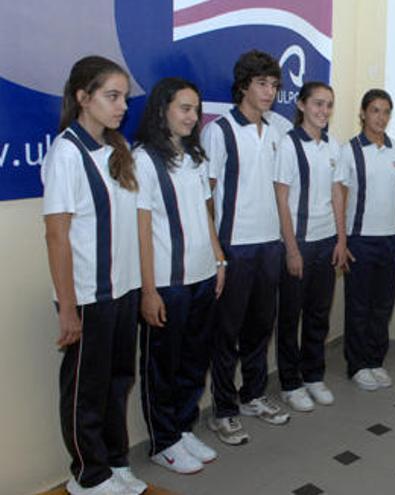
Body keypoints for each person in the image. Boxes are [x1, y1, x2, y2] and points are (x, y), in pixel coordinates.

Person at [43, 55, 147, 495]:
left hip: (122, 291)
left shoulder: (115, 151)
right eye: (111, 96)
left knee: (117, 381)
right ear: (83, 98)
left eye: (124, 96)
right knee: (87, 388)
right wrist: (68, 309)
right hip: (87, 295)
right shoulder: (66, 153)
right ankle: (87, 475)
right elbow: (57, 236)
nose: (122, 105)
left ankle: (115, 461)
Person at [133, 77, 225, 474]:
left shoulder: (196, 156)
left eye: (195, 110)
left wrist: (219, 258)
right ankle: (163, 440)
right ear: (162, 110)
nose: (192, 117)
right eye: (184, 109)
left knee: (193, 360)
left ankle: (184, 428)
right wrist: (148, 290)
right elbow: (140, 228)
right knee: (162, 364)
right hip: (168, 283)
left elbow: (206, 214)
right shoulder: (143, 159)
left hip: (203, 275)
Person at [203, 50, 289, 446]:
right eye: (262, 83)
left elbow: (280, 193)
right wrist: (217, 250)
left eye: (273, 85)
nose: (269, 91)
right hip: (234, 247)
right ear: (243, 86)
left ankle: (253, 394)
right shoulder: (219, 132)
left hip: (269, 244)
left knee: (260, 326)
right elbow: (209, 195)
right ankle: (223, 410)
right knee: (227, 332)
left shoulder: (276, 133)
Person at [274, 81, 348, 412]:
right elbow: (281, 198)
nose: (324, 111)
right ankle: (290, 383)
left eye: (329, 105)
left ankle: (313, 375)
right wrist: (291, 250)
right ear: (302, 105)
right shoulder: (289, 145)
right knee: (291, 316)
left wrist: (342, 240)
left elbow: (337, 195)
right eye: (317, 104)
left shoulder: (334, 145)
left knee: (319, 314)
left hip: (326, 241)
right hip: (299, 243)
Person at [338, 89, 395, 391]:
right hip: (360, 241)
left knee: (383, 306)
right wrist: (342, 241)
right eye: (375, 111)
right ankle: (356, 365)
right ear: (363, 113)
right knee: (359, 306)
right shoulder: (350, 150)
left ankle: (375, 360)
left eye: (386, 112)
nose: (380, 117)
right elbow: (340, 199)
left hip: (390, 240)